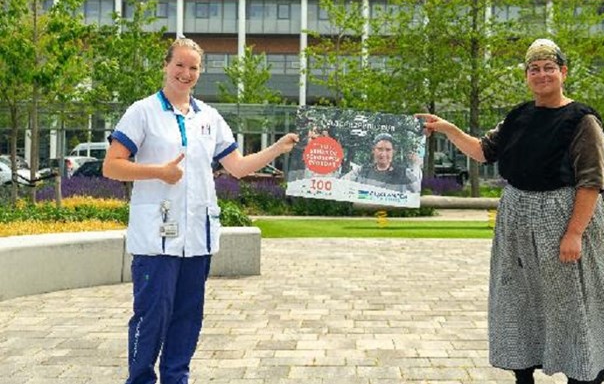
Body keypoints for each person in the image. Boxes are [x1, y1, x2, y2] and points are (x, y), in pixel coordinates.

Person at [417, 39, 604, 384]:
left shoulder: (583, 121)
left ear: (563, 72)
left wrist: (574, 233)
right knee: (518, 300)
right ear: (526, 76)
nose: (541, 74)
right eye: (534, 69)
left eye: (549, 67)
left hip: (564, 220)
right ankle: (523, 374)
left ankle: (580, 374)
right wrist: (448, 128)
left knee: (570, 305)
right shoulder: (519, 116)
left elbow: (591, 182)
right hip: (518, 224)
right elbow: (482, 151)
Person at [102, 38, 298, 384]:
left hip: (197, 239)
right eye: (179, 65)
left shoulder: (209, 116)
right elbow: (112, 166)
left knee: (188, 317)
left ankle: (177, 379)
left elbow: (236, 166)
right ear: (166, 66)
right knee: (152, 317)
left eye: (193, 67)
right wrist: (159, 172)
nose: (186, 73)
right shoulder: (142, 111)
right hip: (155, 241)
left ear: (200, 72)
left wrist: (278, 148)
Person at [342, 132, 421, 193]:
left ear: (393, 152)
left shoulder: (403, 173)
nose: (383, 154)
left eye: (388, 150)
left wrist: (416, 164)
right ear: (373, 150)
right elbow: (341, 184)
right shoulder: (361, 171)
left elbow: (418, 190)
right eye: (380, 149)